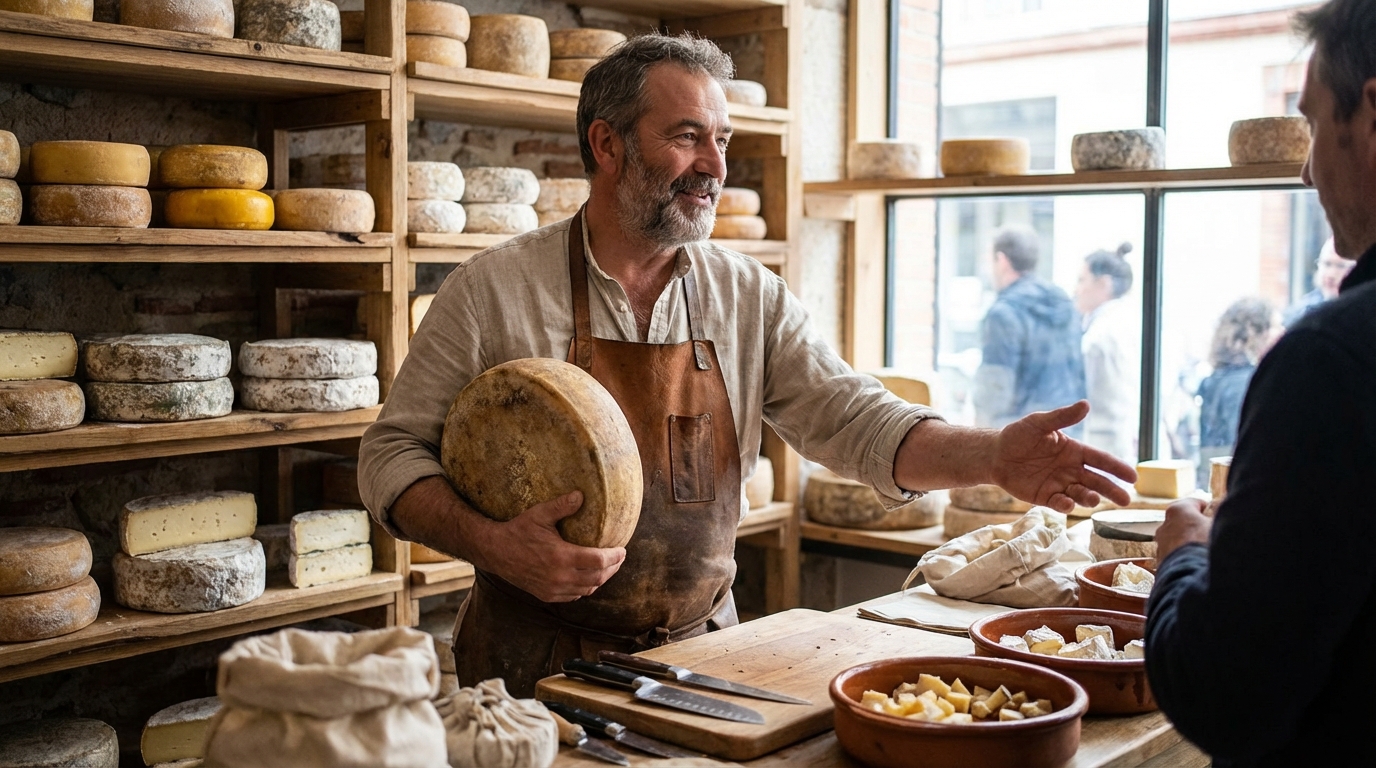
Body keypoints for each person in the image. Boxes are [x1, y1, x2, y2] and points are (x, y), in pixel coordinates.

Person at [358, 34, 1134, 698]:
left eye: (722, 140)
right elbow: (390, 455)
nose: (714, 165)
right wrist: (492, 544)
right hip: (533, 667)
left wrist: (991, 456)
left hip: (700, 659)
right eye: (687, 136)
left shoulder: (747, 296)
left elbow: (856, 422)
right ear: (607, 144)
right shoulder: (492, 290)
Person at [1148, 1, 1376, 763]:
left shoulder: (1330, 359)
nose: (1307, 171)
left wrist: (1185, 555)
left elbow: (1223, 691)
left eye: (1312, 124)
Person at [973, 225, 1086, 437]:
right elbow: (1078, 374)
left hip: (1024, 437)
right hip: (1068, 432)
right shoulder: (1065, 303)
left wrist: (979, 436)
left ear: (1002, 261)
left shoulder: (1003, 313)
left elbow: (995, 390)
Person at [1194, 297, 1281, 488]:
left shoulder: (1217, 378)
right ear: (1254, 332)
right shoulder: (1245, 381)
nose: (1282, 332)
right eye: (1276, 326)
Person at [1073, 243, 1139, 463]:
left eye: (1082, 280)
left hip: (1108, 444)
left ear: (1104, 284)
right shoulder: (1136, 322)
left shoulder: (1100, 336)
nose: (1077, 290)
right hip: (1131, 443)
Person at [1281, 236, 1354, 326]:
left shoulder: (1362, 309)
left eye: (1340, 266)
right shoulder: (1302, 312)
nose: (1331, 274)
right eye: (1327, 264)